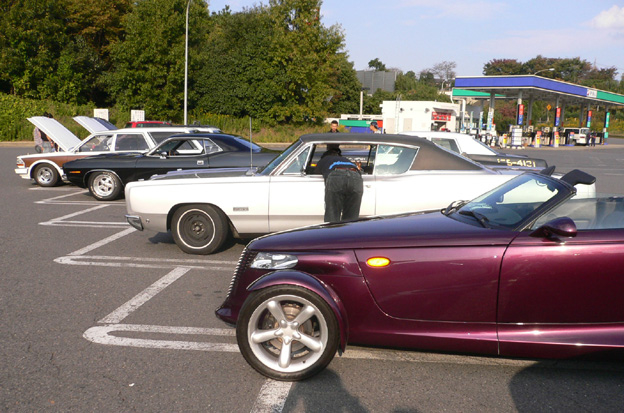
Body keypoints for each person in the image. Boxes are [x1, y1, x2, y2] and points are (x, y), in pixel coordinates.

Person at [314, 144, 363, 222]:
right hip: (356, 175)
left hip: (336, 175)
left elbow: (315, 173)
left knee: (332, 216)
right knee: (351, 219)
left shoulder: (323, 160)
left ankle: (332, 229)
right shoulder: (345, 159)